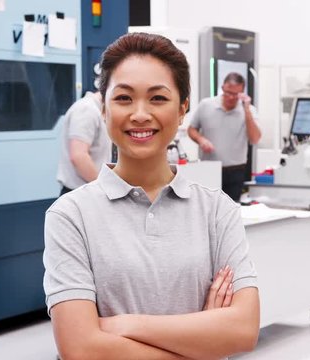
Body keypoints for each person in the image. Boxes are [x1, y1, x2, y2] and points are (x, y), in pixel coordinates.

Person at [43, 32, 260, 360]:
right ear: (104, 108)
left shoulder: (217, 210)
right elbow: (81, 348)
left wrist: (125, 325)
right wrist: (202, 338)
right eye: (124, 98)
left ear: (182, 109)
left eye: (158, 98)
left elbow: (243, 329)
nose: (140, 114)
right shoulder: (70, 215)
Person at [188, 73, 261, 202]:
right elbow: (191, 129)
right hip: (208, 169)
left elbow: (255, 138)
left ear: (242, 93)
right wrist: (201, 140)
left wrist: (247, 110)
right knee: (207, 210)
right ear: (222, 87)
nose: (231, 97)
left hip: (236, 170)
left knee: (230, 212)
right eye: (228, 92)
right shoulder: (206, 105)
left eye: (236, 94)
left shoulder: (249, 110)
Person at [56, 90, 112, 196]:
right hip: (81, 194)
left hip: (89, 190)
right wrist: (104, 188)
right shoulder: (87, 109)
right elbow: (79, 156)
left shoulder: (98, 110)